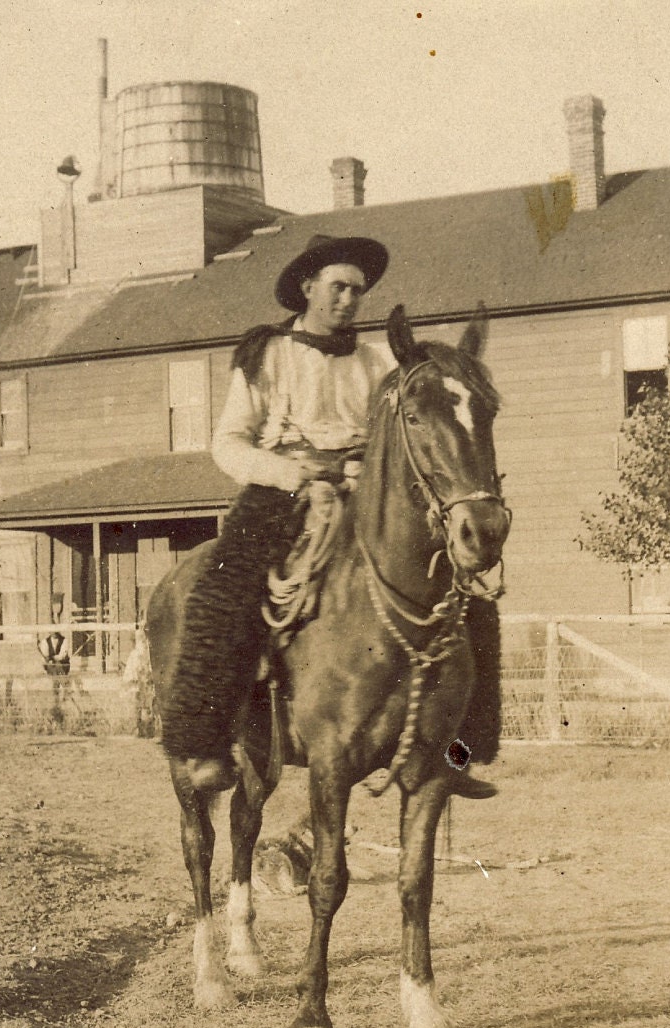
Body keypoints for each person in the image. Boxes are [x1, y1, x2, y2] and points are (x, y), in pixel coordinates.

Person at [162, 235, 499, 799]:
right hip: (282, 490)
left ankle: (459, 750)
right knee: (225, 589)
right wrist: (290, 473)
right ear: (307, 288)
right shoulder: (265, 354)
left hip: (368, 490)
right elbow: (227, 443)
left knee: (471, 603)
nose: (348, 299)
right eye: (338, 287)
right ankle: (206, 747)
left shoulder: (378, 360)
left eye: (357, 290)